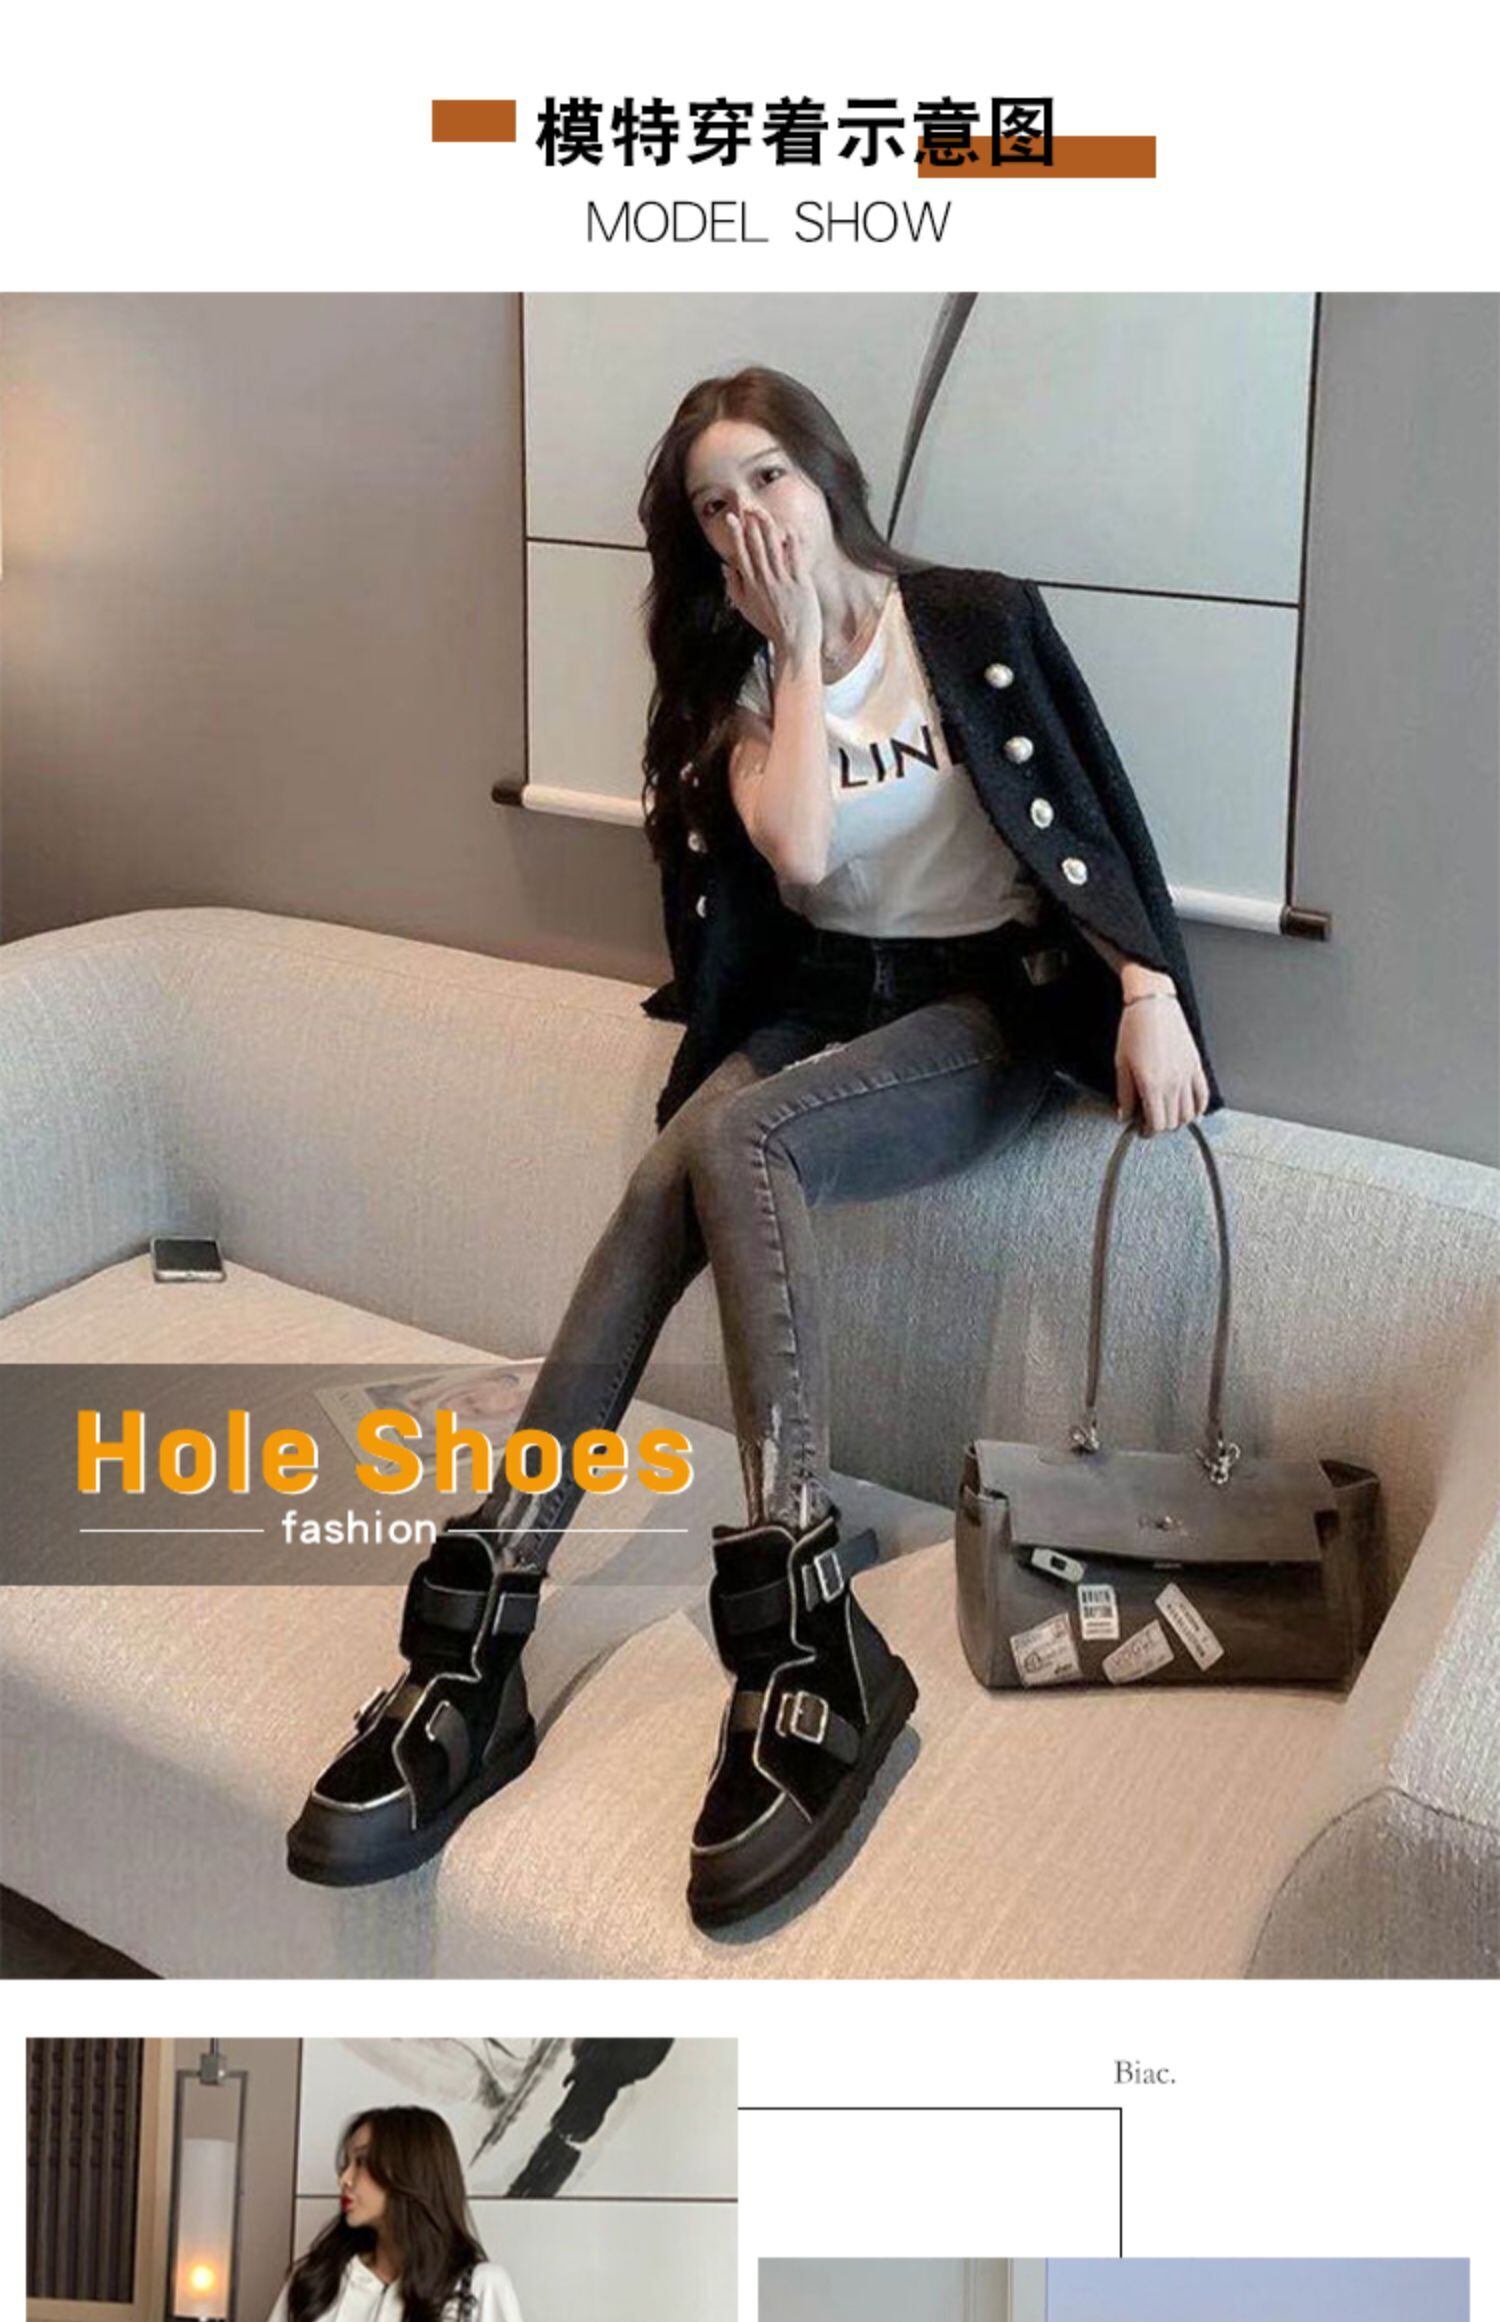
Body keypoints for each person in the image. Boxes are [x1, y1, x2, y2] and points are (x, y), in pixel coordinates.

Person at [287, 365, 1221, 1929]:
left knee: (744, 1141)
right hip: (826, 996)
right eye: (715, 504)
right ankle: (477, 1638)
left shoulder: (971, 619)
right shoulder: (735, 678)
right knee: (674, 1166)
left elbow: (1090, 810)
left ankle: (804, 1628)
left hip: (987, 1004)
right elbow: (796, 852)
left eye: (768, 479)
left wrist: (1147, 988)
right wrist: (789, 651)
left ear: (828, 475)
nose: (747, 520)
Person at [263, 2107, 523, 2322]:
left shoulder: (480, 2287)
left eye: (361, 2162)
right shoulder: (316, 2283)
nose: (344, 2179)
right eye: (346, 2164)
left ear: (410, 2172)